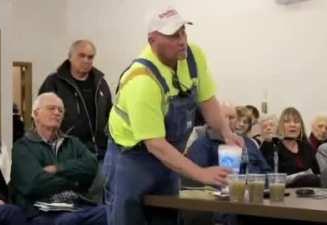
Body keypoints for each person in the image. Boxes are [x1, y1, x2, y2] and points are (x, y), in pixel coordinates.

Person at [104, 7, 243, 225]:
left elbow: (207, 102)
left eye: (183, 32)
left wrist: (226, 132)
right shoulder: (141, 80)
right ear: (152, 41)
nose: (182, 41)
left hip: (169, 156)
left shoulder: (193, 56)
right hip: (131, 158)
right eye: (173, 36)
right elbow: (155, 145)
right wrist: (202, 174)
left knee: (166, 217)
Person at [11, 93, 107, 225]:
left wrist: (58, 168)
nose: (57, 113)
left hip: (76, 205)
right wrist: (75, 181)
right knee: (68, 221)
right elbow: (34, 184)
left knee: (110, 213)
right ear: (35, 114)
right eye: (51, 108)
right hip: (41, 211)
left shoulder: (73, 142)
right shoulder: (22, 147)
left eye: (60, 110)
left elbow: (91, 165)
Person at [39, 40, 112, 159]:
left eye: (90, 57)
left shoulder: (100, 83)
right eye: (81, 55)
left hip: (99, 154)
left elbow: (110, 114)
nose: (86, 60)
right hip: (67, 155)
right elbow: (41, 118)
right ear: (70, 57)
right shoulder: (54, 83)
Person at [187, 103, 271, 174]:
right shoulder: (204, 143)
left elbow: (266, 170)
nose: (240, 124)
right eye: (231, 118)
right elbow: (195, 176)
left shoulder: (250, 143)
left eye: (245, 122)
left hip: (254, 188)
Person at [261, 107, 320, 187]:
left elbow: (317, 174)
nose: (292, 125)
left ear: (301, 126)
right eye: (287, 122)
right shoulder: (271, 145)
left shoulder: (306, 146)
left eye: (296, 122)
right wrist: (298, 177)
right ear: (280, 126)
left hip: (308, 193)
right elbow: (265, 177)